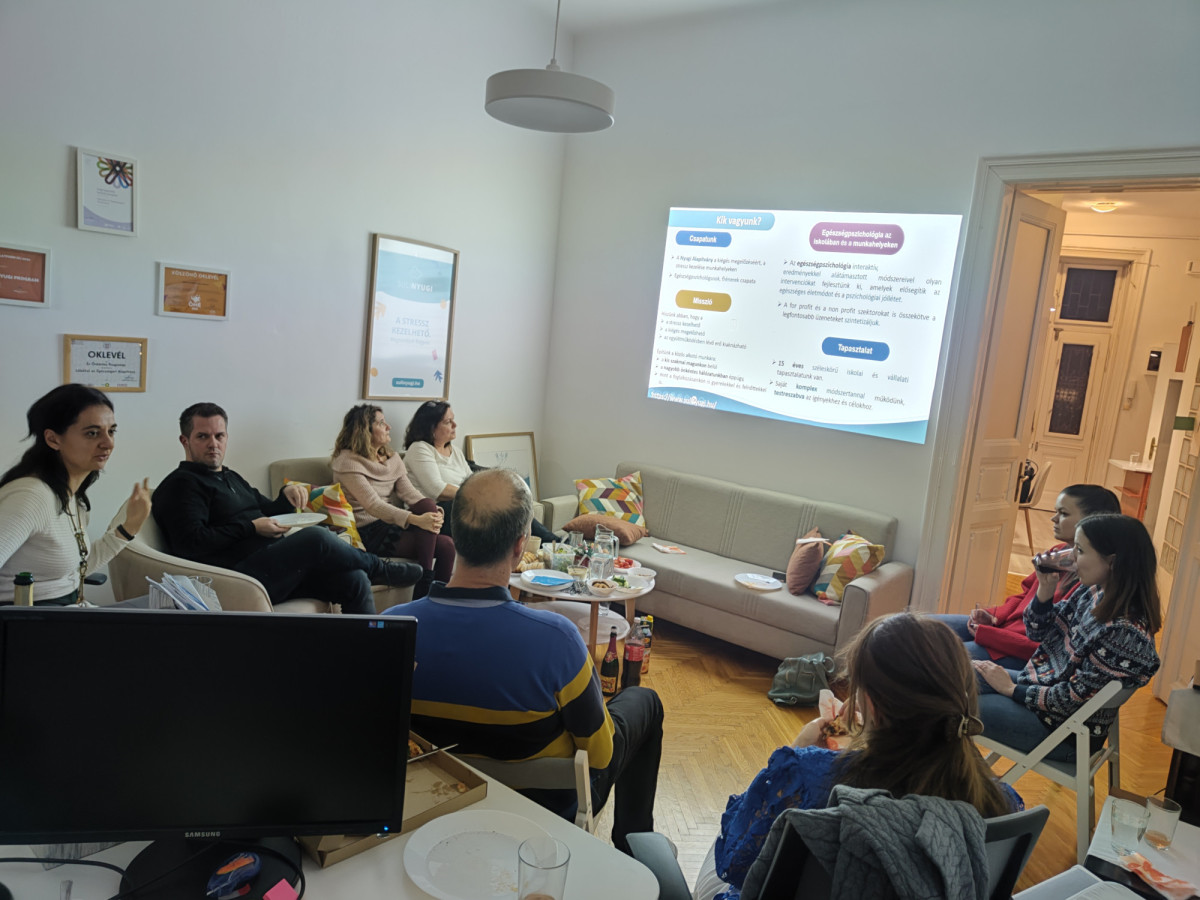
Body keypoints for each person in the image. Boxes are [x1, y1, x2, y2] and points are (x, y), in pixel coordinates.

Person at [382, 468, 664, 855]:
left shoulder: (393, 627)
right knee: (645, 702)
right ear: (520, 546)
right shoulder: (558, 640)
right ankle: (634, 849)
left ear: (455, 537)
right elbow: (601, 756)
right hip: (539, 819)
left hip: (431, 806)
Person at [697, 613, 1022, 900]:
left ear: (872, 708)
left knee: (717, 848)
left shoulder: (809, 775)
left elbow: (736, 863)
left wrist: (796, 753)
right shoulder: (1002, 803)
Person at [152, 402, 420, 615]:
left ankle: (365, 656)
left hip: (275, 567)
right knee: (316, 537)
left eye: (219, 435)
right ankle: (379, 568)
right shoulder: (182, 485)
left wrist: (286, 496)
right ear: (185, 441)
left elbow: (266, 510)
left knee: (354, 579)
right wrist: (250, 528)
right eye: (203, 436)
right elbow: (191, 543)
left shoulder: (229, 477)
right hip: (238, 578)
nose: (213, 444)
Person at [974, 513, 1161, 762]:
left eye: (1080, 551)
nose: (1071, 558)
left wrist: (1011, 690)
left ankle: (964, 781)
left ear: (1112, 562)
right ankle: (964, 779)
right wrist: (1045, 590)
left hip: (1062, 731)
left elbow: (1072, 699)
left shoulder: (1125, 633)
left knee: (949, 703)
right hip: (1042, 692)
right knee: (951, 678)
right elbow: (1038, 633)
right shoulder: (1093, 591)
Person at [932, 484, 1121, 668]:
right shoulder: (1058, 553)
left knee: (934, 657)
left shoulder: (1091, 580)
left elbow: (1050, 645)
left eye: (1063, 513)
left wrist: (989, 635)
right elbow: (1024, 595)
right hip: (1002, 631)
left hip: (1019, 652)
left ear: (1091, 520)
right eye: (1056, 511)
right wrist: (994, 616)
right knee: (922, 628)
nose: (1053, 519)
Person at [0, 384, 150, 605]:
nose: (108, 443)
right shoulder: (31, 497)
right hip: (33, 621)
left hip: (70, 611)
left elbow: (75, 570)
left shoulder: (71, 495)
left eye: (111, 431)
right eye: (92, 433)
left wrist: (129, 528)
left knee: (172, 609)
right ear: (53, 439)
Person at [331, 405, 455, 600]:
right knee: (443, 542)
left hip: (390, 524)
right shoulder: (348, 462)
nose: (388, 427)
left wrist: (434, 511)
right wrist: (415, 519)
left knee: (447, 543)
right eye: (381, 423)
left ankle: (437, 601)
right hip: (368, 531)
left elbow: (410, 493)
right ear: (364, 430)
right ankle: (423, 587)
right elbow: (373, 505)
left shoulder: (391, 458)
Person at [402, 399, 558, 544]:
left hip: (464, 505)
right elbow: (437, 490)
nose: (455, 425)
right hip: (437, 514)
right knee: (494, 508)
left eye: (453, 419)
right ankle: (551, 543)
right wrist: (478, 495)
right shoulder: (419, 449)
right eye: (448, 422)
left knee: (512, 504)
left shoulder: (454, 451)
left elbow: (471, 481)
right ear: (431, 427)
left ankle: (552, 543)